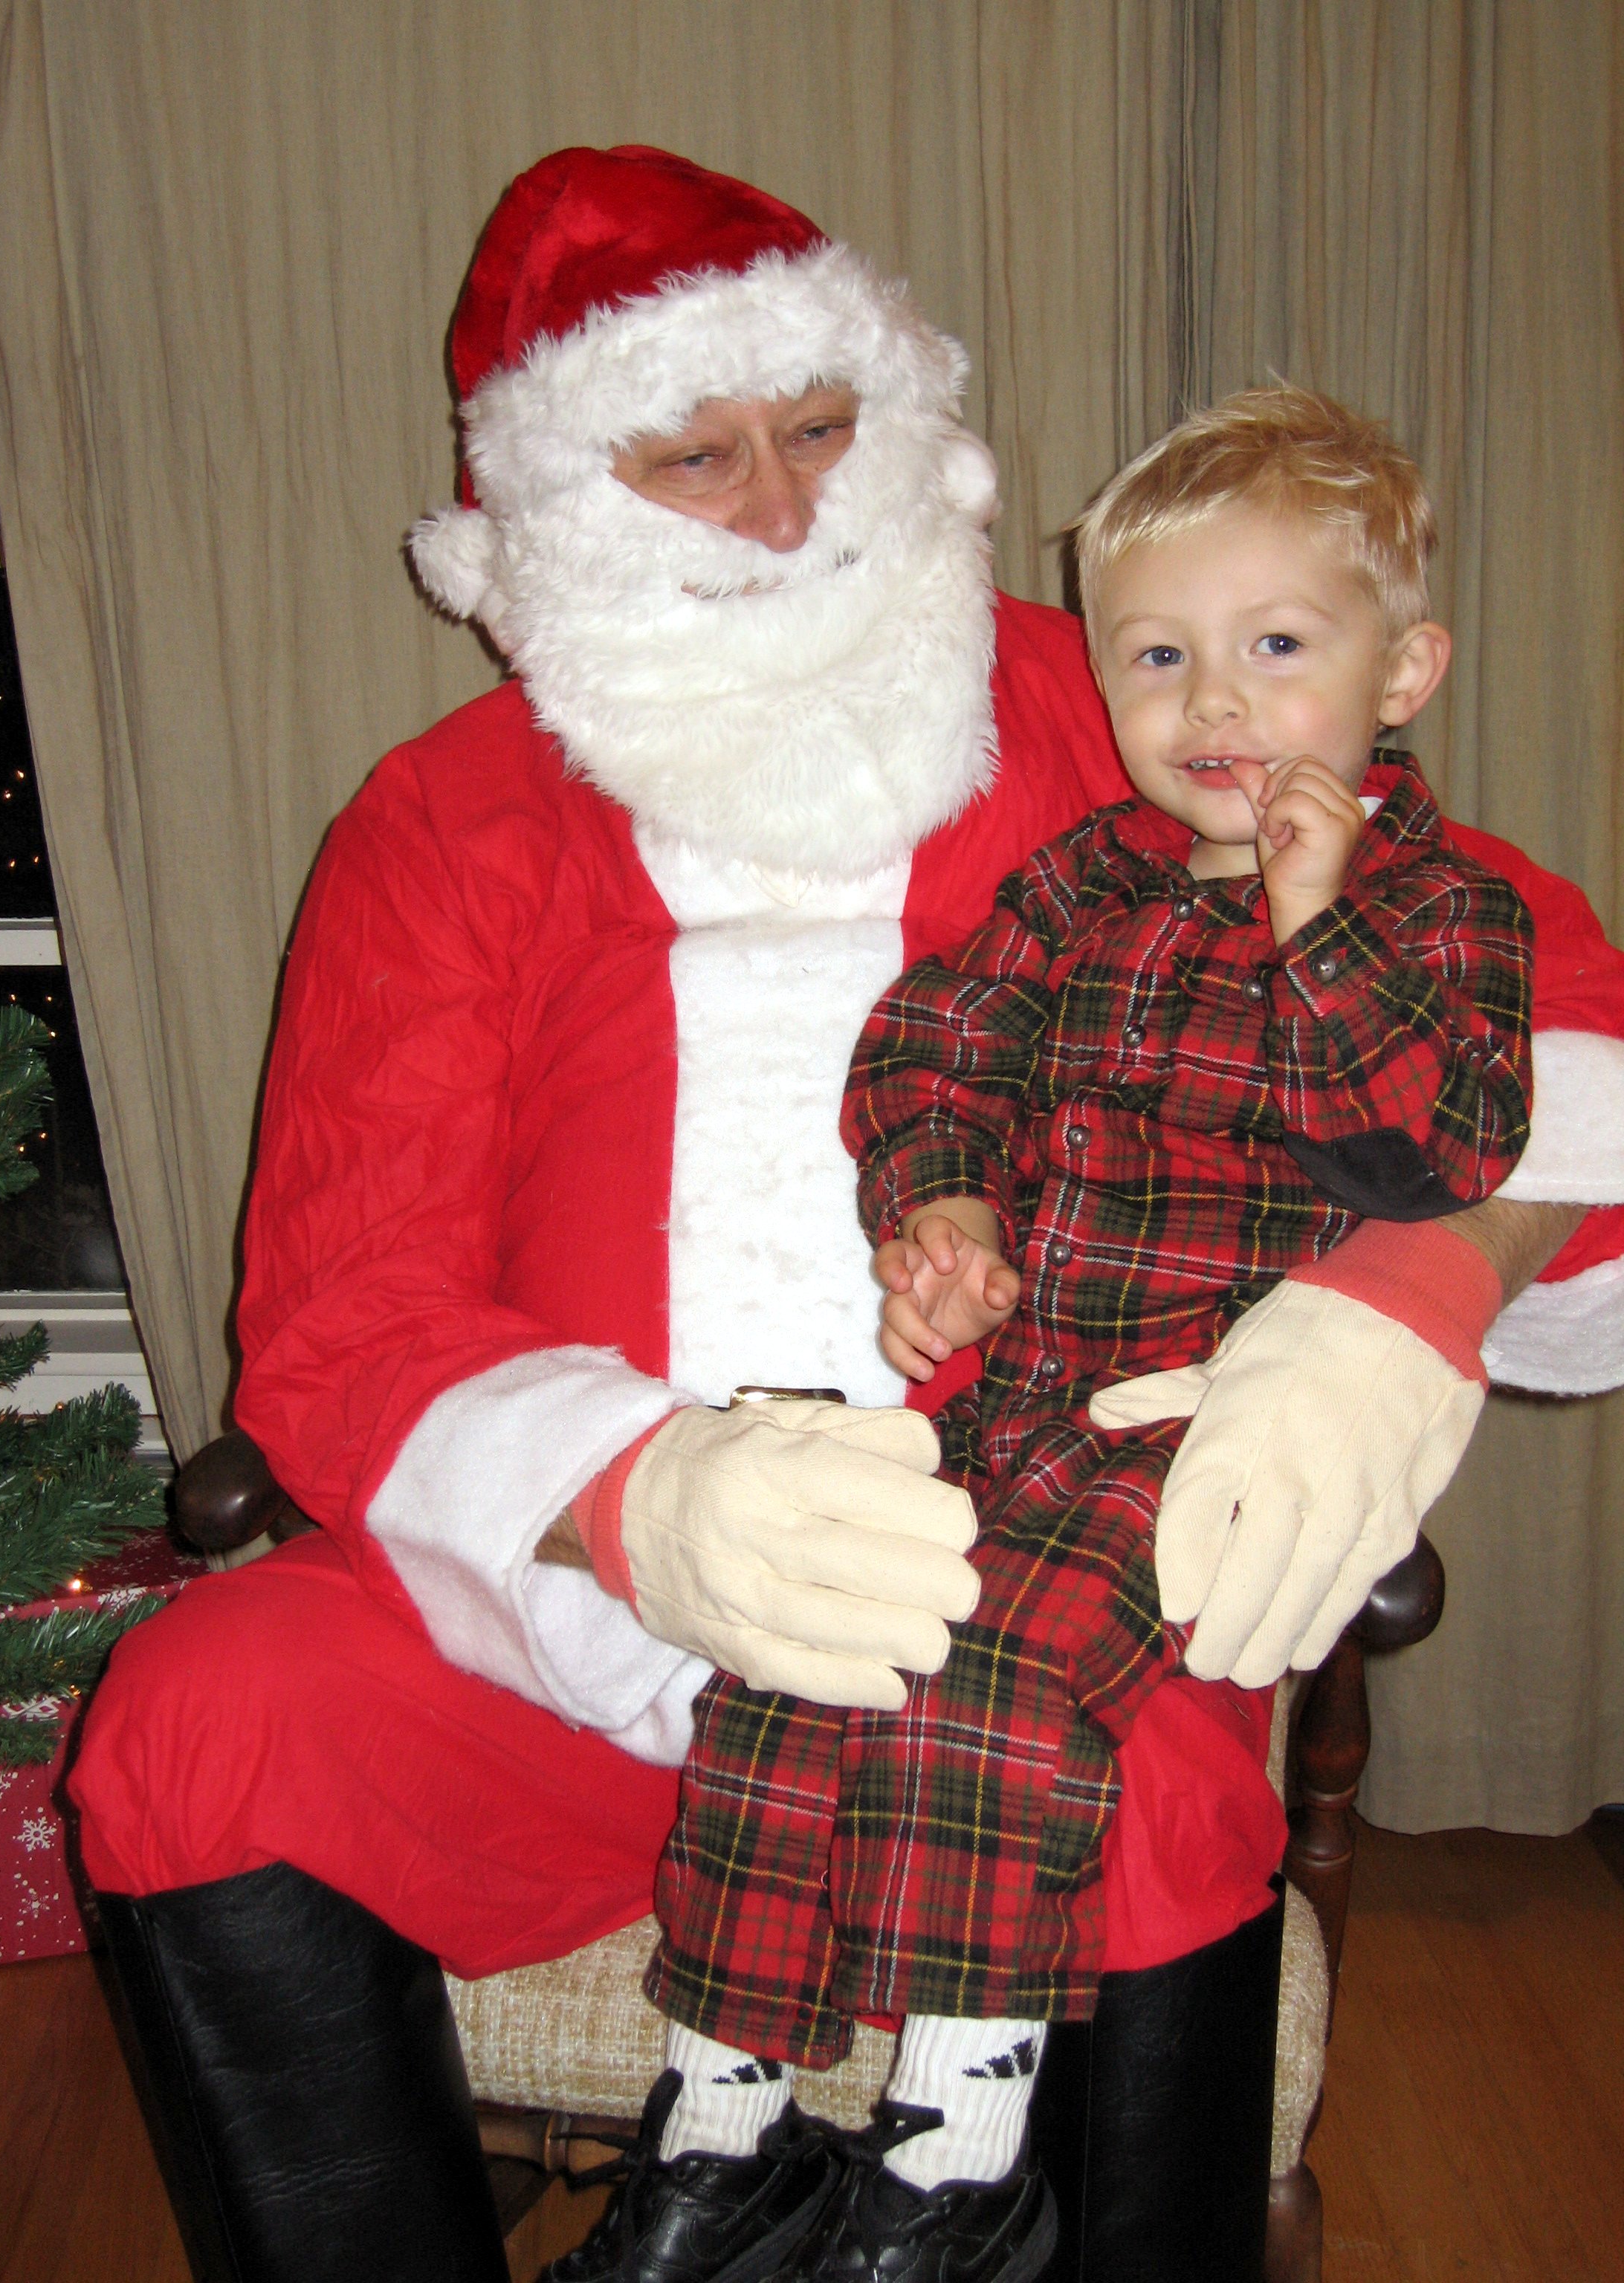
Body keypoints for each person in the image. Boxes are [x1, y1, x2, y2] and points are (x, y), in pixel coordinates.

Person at [68, 148, 1624, 2283]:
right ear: (551, 503)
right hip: (582, 1628)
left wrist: (1411, 1300)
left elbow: (1538, 990)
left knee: (1153, 1790)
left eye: (819, 429)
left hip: (1028, 1568)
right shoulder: (438, 827)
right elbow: (341, 1318)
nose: (787, 511)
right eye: (693, 457)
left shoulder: (1126, 708)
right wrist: (639, 1496)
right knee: (195, 1714)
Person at [616, 388, 1530, 2283]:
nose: (1216, 705)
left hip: (1200, 1428)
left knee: (996, 1695)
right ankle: (720, 2146)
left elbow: (1435, 1147)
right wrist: (943, 1205)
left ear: (1403, 674)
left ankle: (955, 2173)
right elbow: (932, 1047)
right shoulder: (1080, 883)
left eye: (1278, 649)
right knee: (798, 1659)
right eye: (1160, 657)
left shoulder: (1445, 909)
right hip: (1015, 1400)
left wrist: (1315, 922)